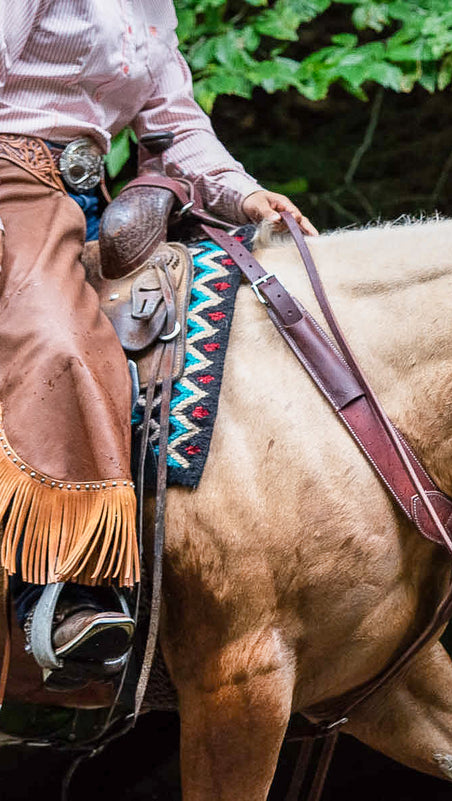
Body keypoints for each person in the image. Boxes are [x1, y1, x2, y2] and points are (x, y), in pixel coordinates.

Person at [0, 0, 317, 687]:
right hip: (9, 184)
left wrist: (246, 194)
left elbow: (174, 127)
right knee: (59, 343)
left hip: (95, 202)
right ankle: (55, 590)